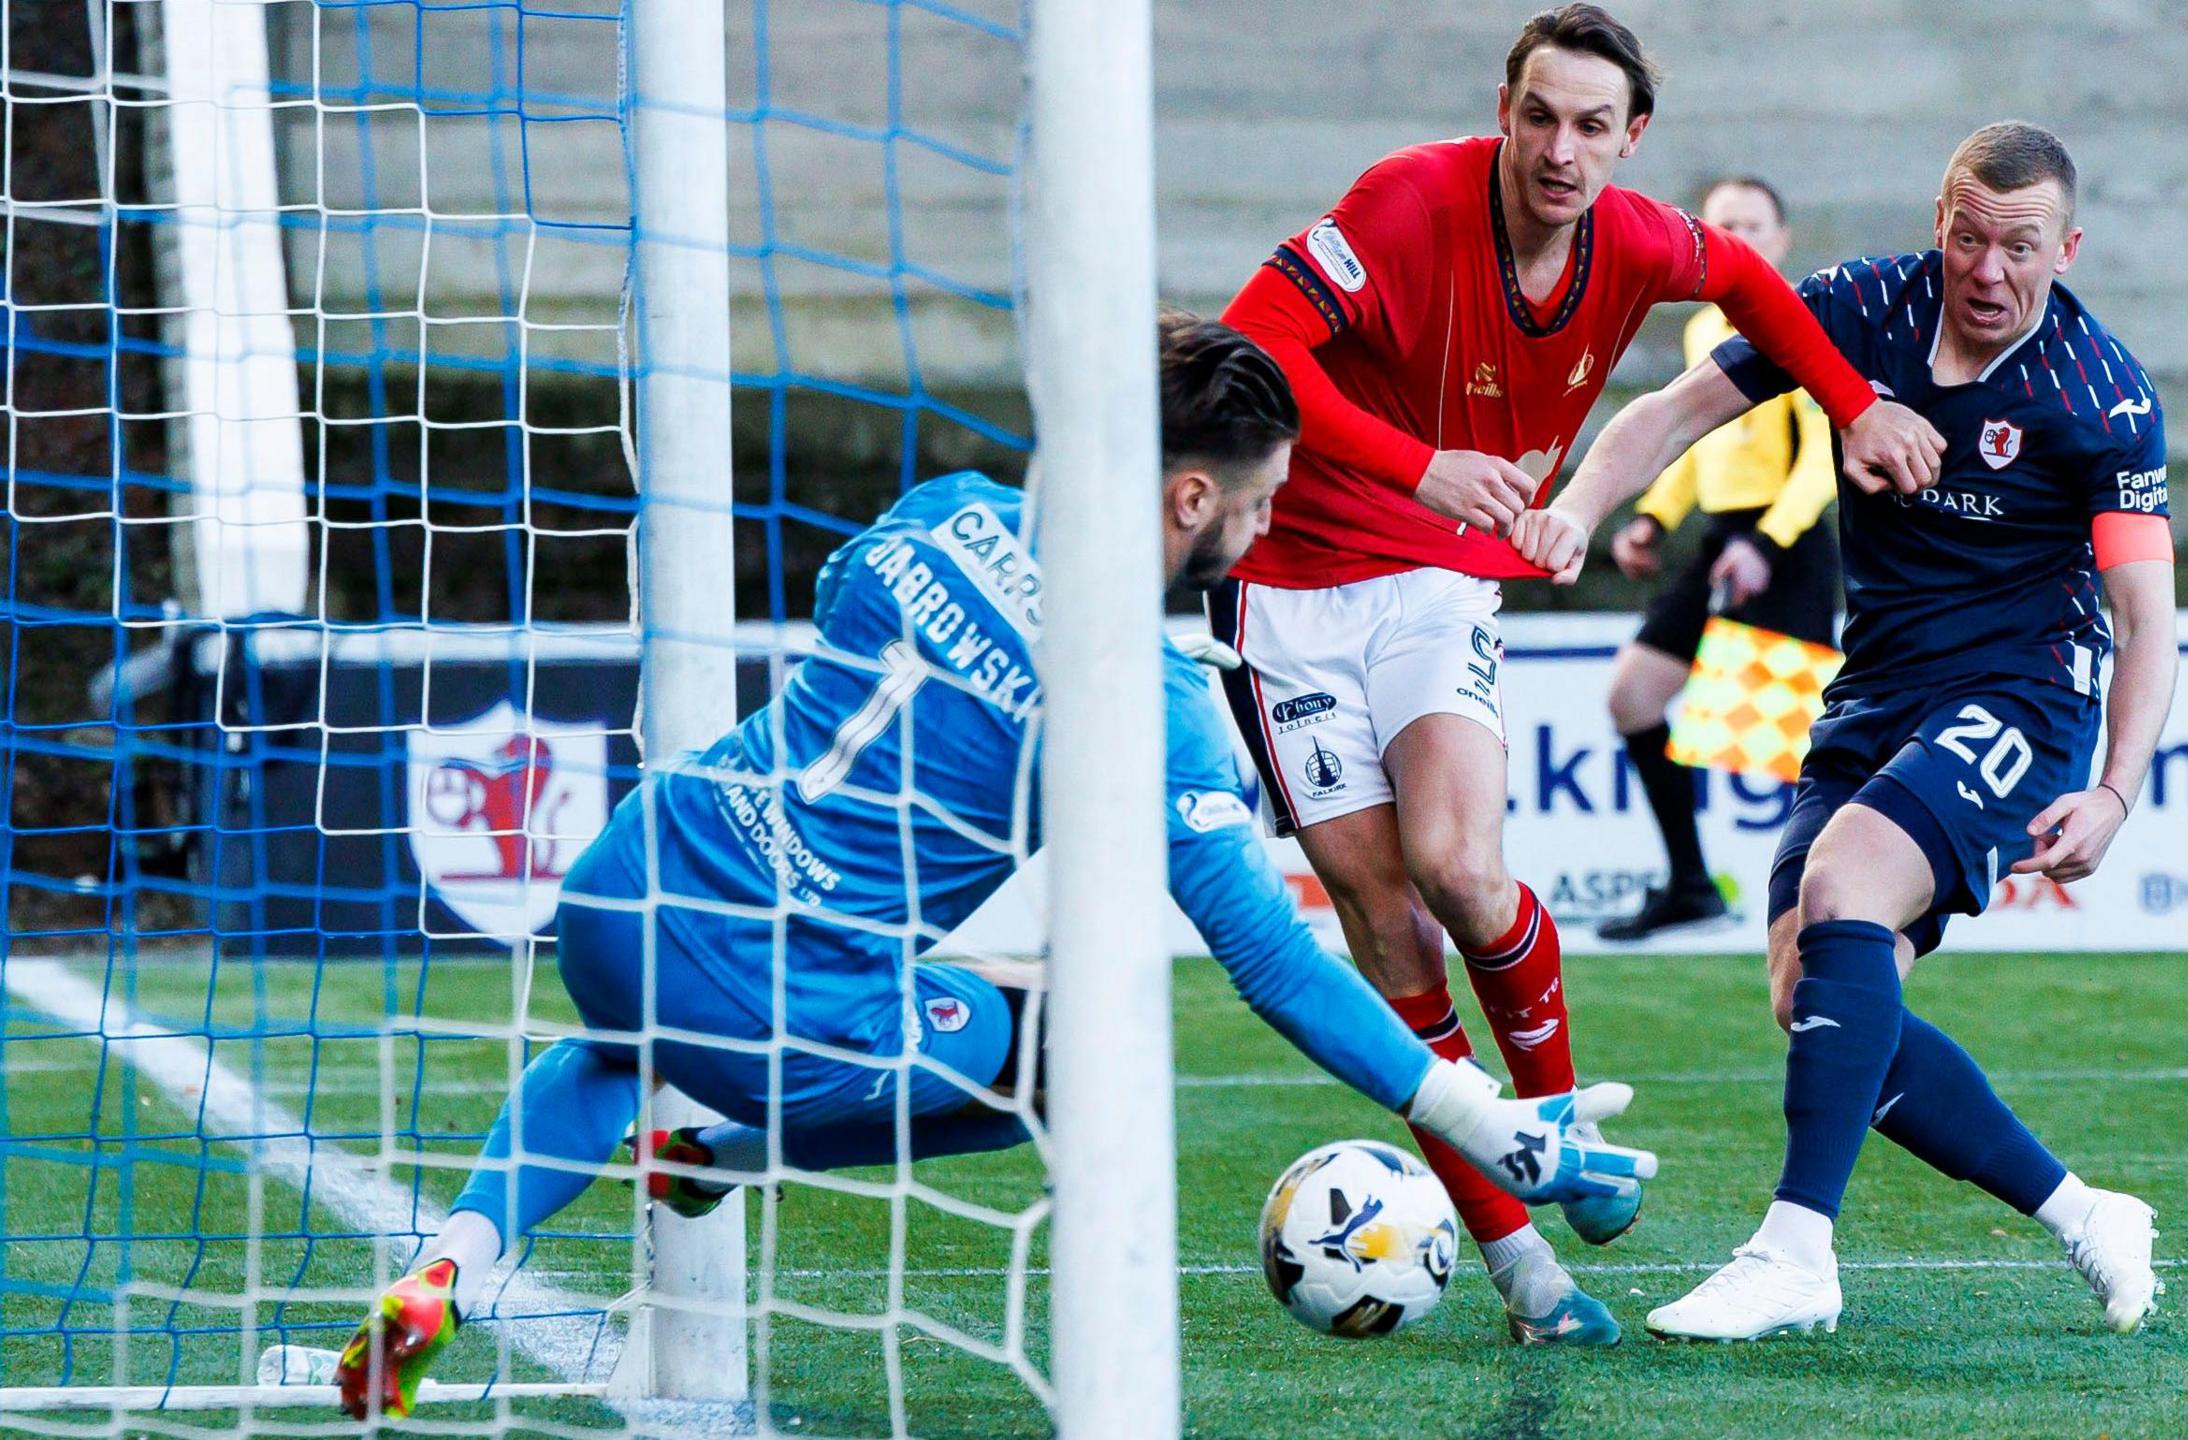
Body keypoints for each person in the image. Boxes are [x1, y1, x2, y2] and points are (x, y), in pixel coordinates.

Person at [333, 317, 1660, 1420]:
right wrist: (1488, 1120)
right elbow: (1269, 962)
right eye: (1257, 506)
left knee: (620, 1043)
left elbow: (847, 595)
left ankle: (448, 1263)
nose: (1259, 536)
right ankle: (731, 1148)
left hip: (626, 887)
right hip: (778, 1007)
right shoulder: (1147, 697)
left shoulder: (946, 508)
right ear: (1189, 497)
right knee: (1083, 1049)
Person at [1213, 3, 1942, 1345]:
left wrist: (1856, 404)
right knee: (1387, 930)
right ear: (1505, 111)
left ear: (1631, 137)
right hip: (1291, 591)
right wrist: (1419, 462)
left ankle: (1555, 1135)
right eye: (1539, 117)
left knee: (1465, 871)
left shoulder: (1639, 237)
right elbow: (1248, 348)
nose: (1561, 150)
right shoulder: (1401, 202)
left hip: (1437, 575)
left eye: (1592, 127)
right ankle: (1522, 1274)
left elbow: (1754, 291)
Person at [1510, 122, 2175, 1342]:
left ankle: (1793, 1249)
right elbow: (1673, 410)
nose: (1988, 270)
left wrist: (2117, 791)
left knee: (1845, 881)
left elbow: (2146, 617)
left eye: (2020, 248)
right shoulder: (1857, 307)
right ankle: (2086, 1214)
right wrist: (1575, 506)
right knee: (1809, 989)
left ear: (2064, 248)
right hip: (1874, 689)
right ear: (1940, 218)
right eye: (1969, 236)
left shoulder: (2101, 398)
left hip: (2023, 694)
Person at [1598, 175, 1841, 942]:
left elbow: (1826, 455)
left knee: (1795, 750)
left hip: (1786, 546)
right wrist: (1651, 517)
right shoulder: (1706, 328)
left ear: (1782, 239)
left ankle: (1840, 905)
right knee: (1633, 697)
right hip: (1719, 542)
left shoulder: (1801, 321)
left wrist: (1768, 542)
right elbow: (1696, 442)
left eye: (1754, 224)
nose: (1740, 236)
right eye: (1723, 226)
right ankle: (1692, 884)